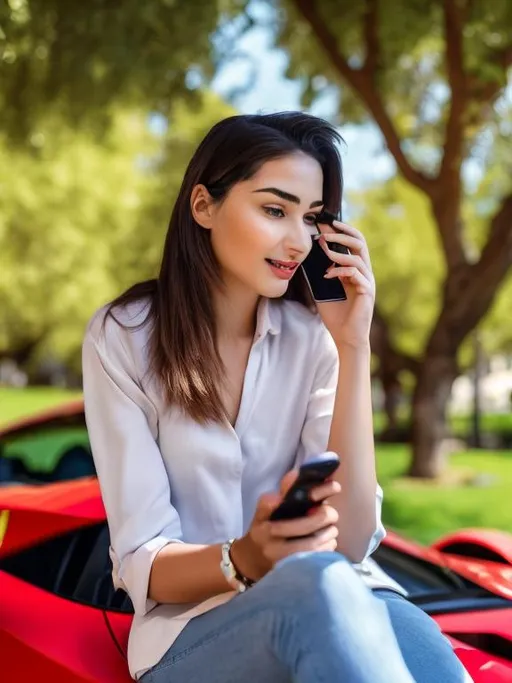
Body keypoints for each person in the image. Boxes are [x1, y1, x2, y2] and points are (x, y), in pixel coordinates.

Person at [82, 112, 469, 683]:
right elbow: (142, 559)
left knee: (421, 643)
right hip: (193, 635)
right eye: (274, 210)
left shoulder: (317, 341)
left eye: (312, 218)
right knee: (312, 586)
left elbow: (353, 541)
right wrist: (243, 558)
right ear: (203, 206)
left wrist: (353, 343)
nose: (299, 240)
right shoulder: (124, 337)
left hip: (341, 594)